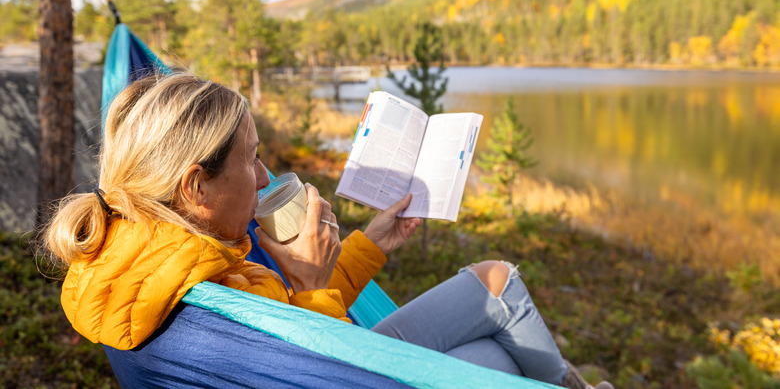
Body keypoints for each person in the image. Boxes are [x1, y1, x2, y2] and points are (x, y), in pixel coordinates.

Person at [39, 73, 611, 389]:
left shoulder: (143, 257)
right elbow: (327, 371)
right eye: (252, 158)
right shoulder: (200, 290)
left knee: (494, 283)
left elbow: (280, 328)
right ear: (196, 187)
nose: (265, 176)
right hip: (343, 367)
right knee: (507, 358)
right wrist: (310, 281)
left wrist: (372, 243)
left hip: (323, 351)